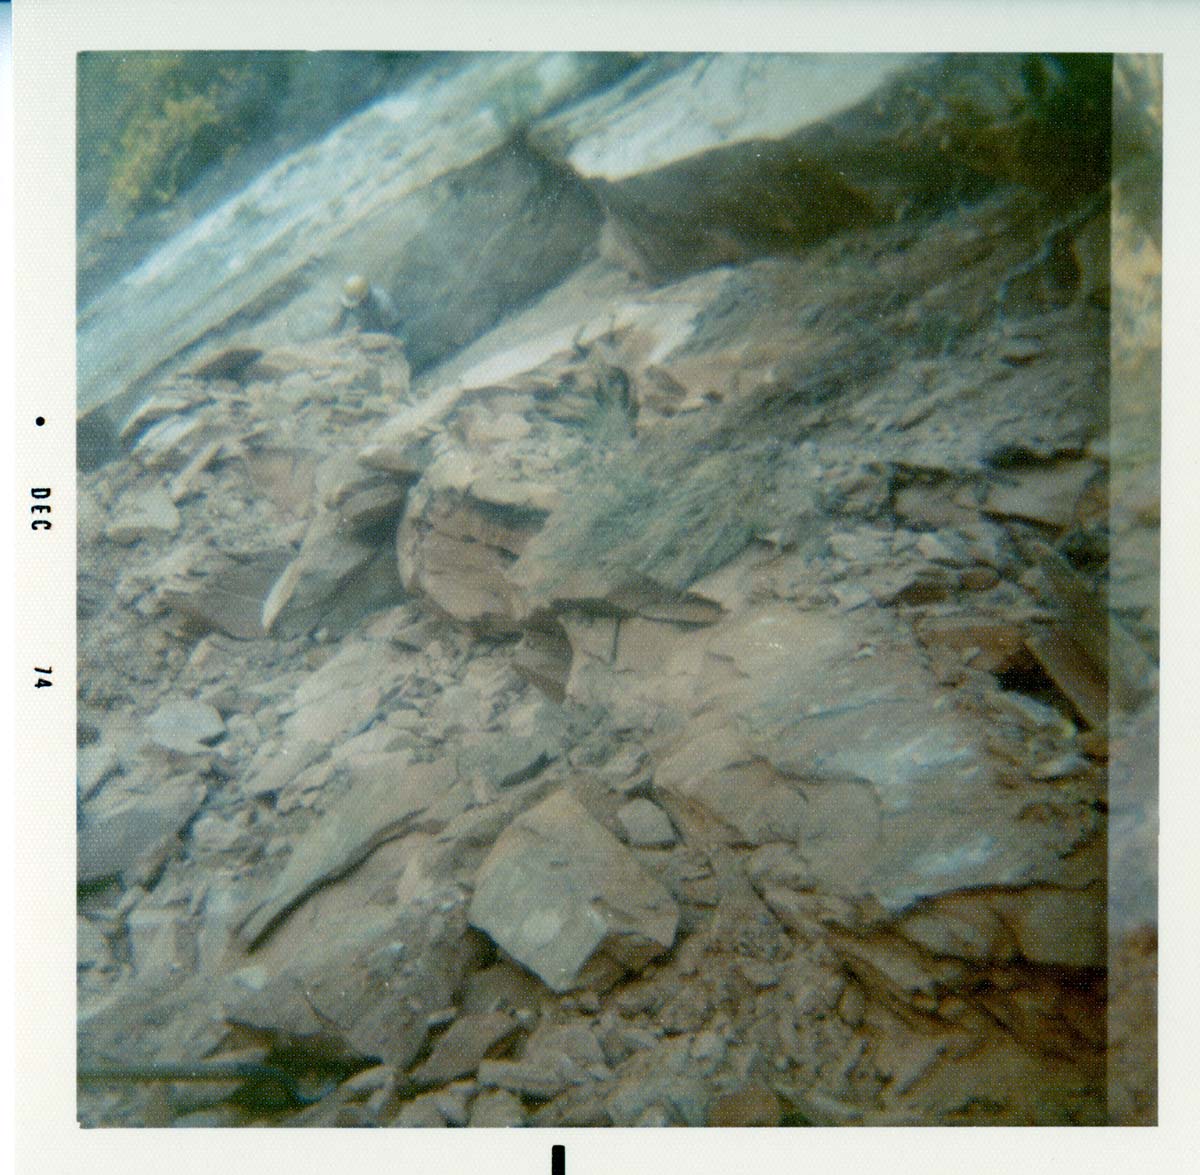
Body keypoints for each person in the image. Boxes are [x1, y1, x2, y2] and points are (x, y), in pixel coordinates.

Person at [333, 273, 400, 335]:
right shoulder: (350, 298)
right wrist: (331, 335)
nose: (354, 306)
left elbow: (392, 329)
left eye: (358, 303)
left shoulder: (383, 304)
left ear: (365, 298)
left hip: (389, 329)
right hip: (366, 329)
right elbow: (340, 320)